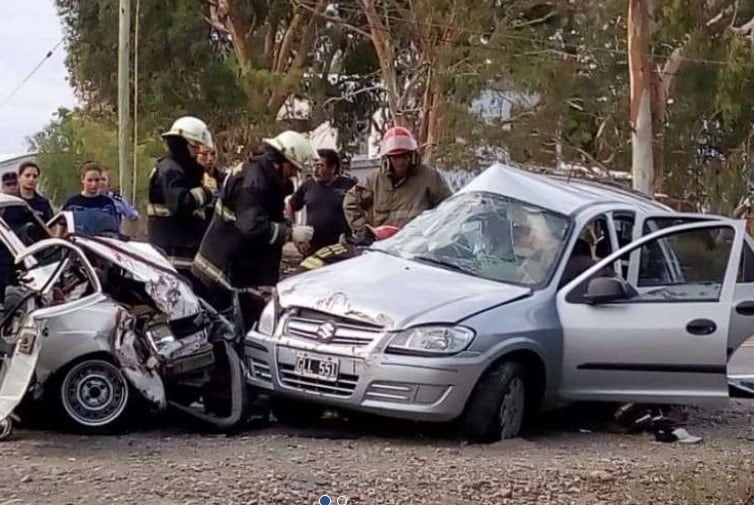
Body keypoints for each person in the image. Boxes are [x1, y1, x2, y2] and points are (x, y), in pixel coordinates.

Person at [192, 130, 316, 331]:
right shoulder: (254, 182)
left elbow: (267, 217)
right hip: (222, 271)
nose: (294, 174)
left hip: (239, 268)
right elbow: (252, 227)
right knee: (226, 333)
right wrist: (290, 234)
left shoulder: (263, 177)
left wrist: (289, 228)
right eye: (293, 168)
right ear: (280, 160)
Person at [343, 126, 452, 237]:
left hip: (418, 244)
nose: (400, 162)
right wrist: (364, 229)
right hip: (383, 246)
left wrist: (437, 233)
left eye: (404, 156)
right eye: (395, 157)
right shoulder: (374, 181)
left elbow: (449, 207)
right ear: (388, 158)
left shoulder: (429, 177)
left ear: (412, 155)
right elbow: (350, 202)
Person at [147, 116, 214, 276]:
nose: (198, 152)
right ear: (182, 144)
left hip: (184, 254)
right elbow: (179, 203)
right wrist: (207, 191)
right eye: (195, 147)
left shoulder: (182, 170)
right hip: (172, 258)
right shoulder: (170, 170)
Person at [286, 148, 356, 255]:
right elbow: (290, 204)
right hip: (312, 250)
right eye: (314, 166)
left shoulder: (348, 185)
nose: (315, 170)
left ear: (332, 168)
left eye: (320, 166)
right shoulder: (307, 186)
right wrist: (295, 234)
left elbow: (365, 207)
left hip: (341, 248)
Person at [62, 162, 120, 235]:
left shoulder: (107, 203)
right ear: (82, 180)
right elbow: (60, 232)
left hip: (101, 244)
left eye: (97, 180)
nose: (94, 184)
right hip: (78, 244)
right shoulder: (72, 204)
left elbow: (115, 230)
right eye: (90, 180)